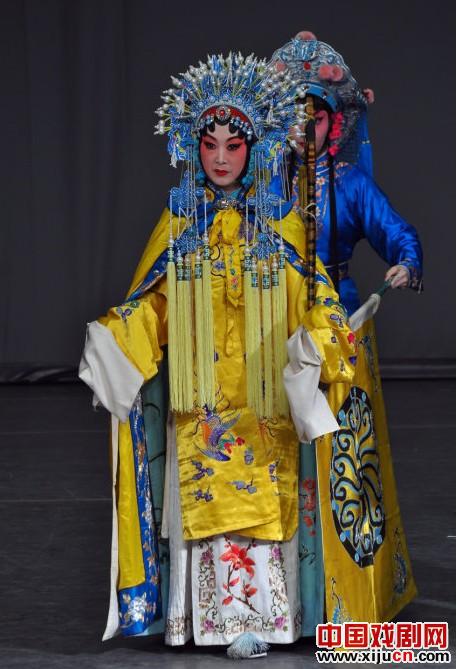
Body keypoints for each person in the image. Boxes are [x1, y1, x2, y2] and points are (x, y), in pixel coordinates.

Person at [79, 52, 358, 656]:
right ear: (193, 148)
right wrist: (117, 338)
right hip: (200, 393)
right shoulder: (181, 223)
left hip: (261, 396)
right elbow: (153, 305)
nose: (222, 158)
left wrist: (320, 336)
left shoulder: (281, 222)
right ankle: (204, 622)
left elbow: (314, 298)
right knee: (206, 494)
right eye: (210, 146)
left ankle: (264, 622)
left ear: (254, 148)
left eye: (234, 145)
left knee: (262, 502)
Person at [269, 31, 422, 633]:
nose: (305, 128)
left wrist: (406, 261)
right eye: (295, 116)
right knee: (277, 455)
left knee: (341, 457)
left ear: (335, 123)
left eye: (317, 117)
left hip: (338, 325)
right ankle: (280, 599)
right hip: (276, 325)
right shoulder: (264, 185)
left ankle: (348, 595)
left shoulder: (351, 183)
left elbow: (399, 231)